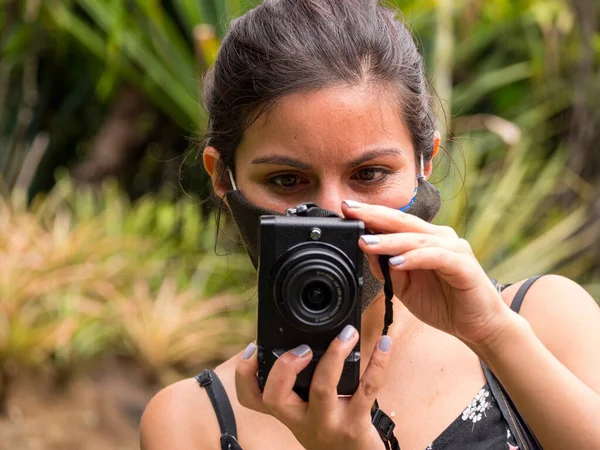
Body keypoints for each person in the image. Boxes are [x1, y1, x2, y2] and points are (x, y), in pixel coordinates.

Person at [139, 1, 600, 449]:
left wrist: (494, 334)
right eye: (287, 180)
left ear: (425, 163)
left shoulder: (543, 322)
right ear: (224, 178)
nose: (333, 212)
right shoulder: (190, 423)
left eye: (370, 175)